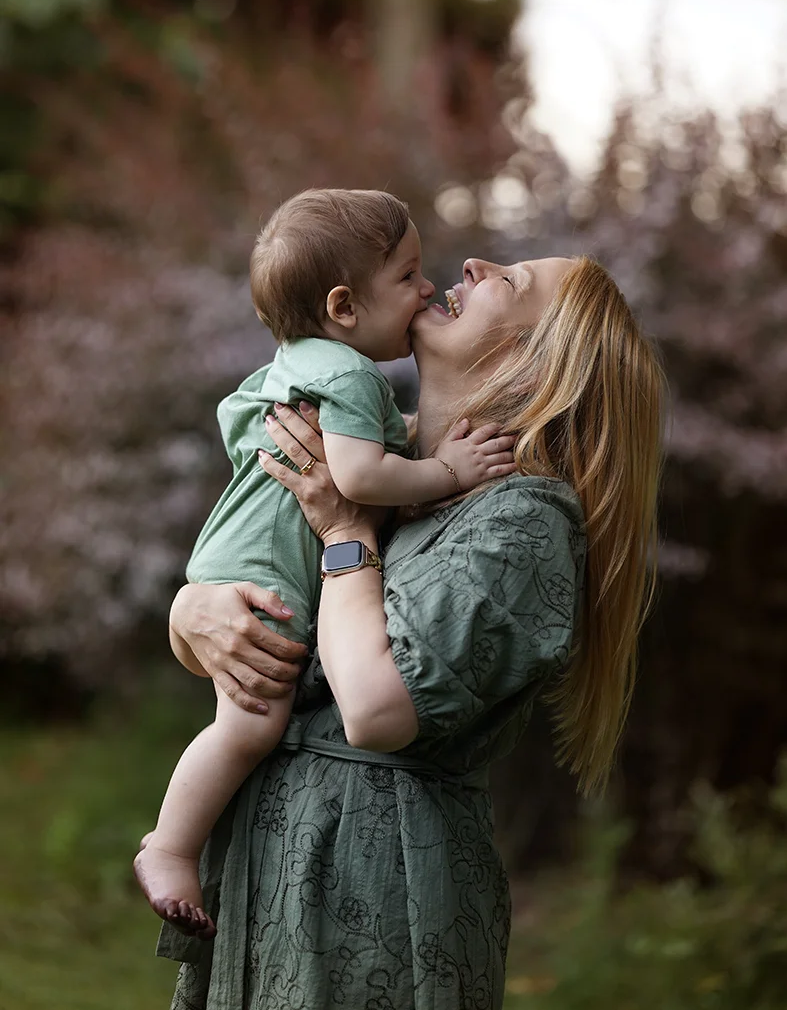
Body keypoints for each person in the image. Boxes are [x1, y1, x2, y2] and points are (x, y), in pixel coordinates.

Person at [152, 253, 665, 1010]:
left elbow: (374, 708)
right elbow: (258, 619)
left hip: (378, 896)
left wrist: (343, 532)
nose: (474, 262)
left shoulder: (523, 521)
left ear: (536, 360)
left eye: (511, 282)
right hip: (266, 875)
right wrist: (192, 612)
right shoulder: (369, 466)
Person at [134, 189, 516, 939]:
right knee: (250, 725)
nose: (427, 287)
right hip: (266, 572)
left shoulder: (305, 366)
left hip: (239, 555)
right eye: (407, 276)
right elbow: (360, 477)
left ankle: (175, 844)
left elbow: (267, 430)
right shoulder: (347, 376)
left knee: (245, 716)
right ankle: (170, 846)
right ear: (343, 306)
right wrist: (449, 471)